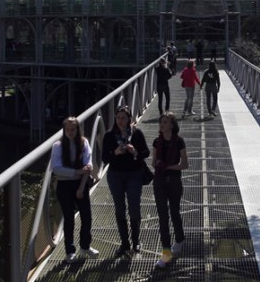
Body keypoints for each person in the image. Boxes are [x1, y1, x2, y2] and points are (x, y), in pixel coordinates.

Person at [101, 105, 151, 256]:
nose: (120, 121)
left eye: (123, 118)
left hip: (134, 174)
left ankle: (136, 241)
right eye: (118, 118)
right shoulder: (109, 136)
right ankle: (124, 243)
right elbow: (104, 158)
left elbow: (146, 152)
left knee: (134, 209)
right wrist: (114, 152)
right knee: (119, 209)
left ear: (129, 119)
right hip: (115, 175)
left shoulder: (137, 134)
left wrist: (135, 151)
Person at [50, 116, 99, 263]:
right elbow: (56, 168)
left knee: (86, 216)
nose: (71, 132)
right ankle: (70, 251)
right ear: (64, 130)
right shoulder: (57, 146)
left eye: (74, 129)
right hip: (65, 184)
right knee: (69, 218)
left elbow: (88, 165)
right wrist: (76, 172)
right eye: (68, 129)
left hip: (81, 183)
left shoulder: (84, 143)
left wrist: (81, 185)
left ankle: (85, 246)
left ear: (78, 129)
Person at [152, 111, 188, 268]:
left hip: (173, 180)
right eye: (161, 122)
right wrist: (159, 165)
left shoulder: (179, 142)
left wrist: (169, 167)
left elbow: (185, 164)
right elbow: (153, 162)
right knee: (162, 216)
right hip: (159, 181)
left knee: (174, 212)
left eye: (165, 122)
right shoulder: (156, 142)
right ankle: (166, 254)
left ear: (172, 125)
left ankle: (179, 239)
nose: (162, 125)